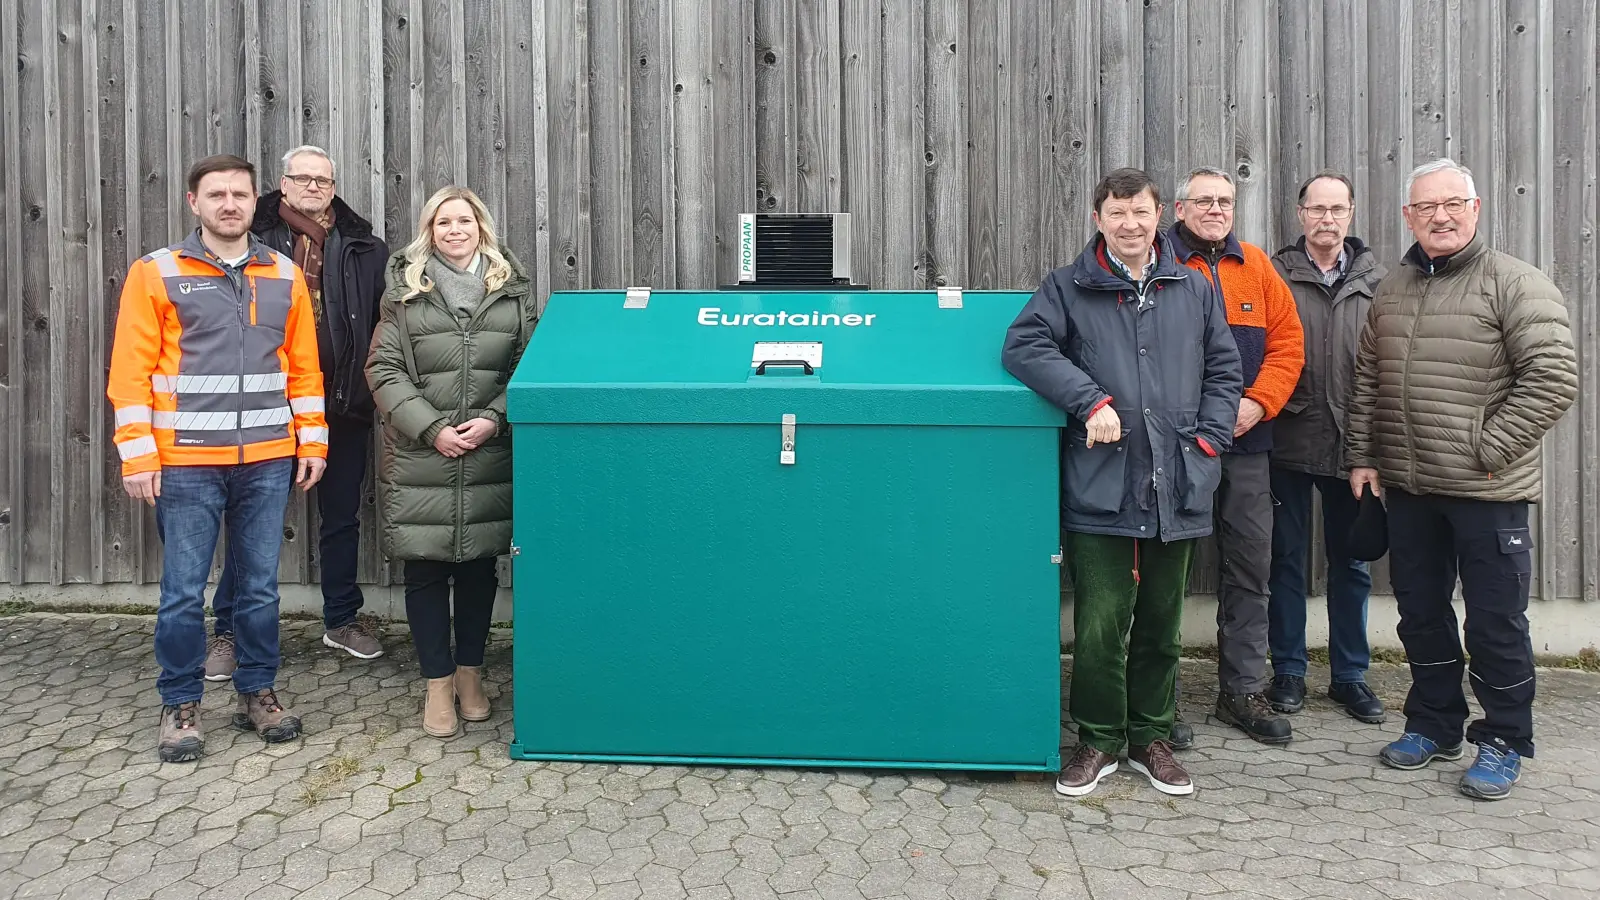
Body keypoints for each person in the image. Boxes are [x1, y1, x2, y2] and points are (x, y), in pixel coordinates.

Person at [1003, 167, 1243, 798]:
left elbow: (1225, 369)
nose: (1130, 224)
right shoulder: (1067, 288)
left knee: (1163, 620)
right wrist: (1089, 401)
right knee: (1103, 622)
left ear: (1160, 215)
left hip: (1179, 479)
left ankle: (1151, 737)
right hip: (1103, 481)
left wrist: (1212, 438)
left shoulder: (1193, 289)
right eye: (1117, 213)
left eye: (1141, 212)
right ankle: (1098, 740)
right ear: (1098, 219)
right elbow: (1024, 347)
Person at [1347, 157, 1578, 800]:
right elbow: (1368, 382)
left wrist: (1487, 449)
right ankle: (1434, 722)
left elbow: (1553, 379)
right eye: (1426, 207)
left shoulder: (1515, 283)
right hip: (1410, 488)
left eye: (1452, 204)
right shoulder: (1391, 289)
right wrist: (1364, 456)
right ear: (1408, 217)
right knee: (1420, 614)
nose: (1440, 217)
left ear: (1475, 209)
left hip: (1488, 491)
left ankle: (1503, 738)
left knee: (1495, 622)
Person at [107, 154, 327, 762]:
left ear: (257, 201)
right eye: (216, 195)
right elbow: (131, 373)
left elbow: (304, 369)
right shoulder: (156, 273)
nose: (229, 204)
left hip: (267, 459)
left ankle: (258, 691)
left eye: (240, 194)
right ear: (193, 203)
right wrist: (137, 455)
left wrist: (313, 440)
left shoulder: (283, 273)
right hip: (184, 463)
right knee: (182, 592)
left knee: (258, 589)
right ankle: (180, 703)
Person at [206, 146, 391, 679]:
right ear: (282, 185)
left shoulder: (363, 247)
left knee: (342, 518)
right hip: (263, 406)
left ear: (333, 188)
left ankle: (341, 620)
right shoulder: (250, 240)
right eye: (302, 178)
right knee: (251, 521)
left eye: (323, 180)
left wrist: (363, 388)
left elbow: (383, 323)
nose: (313, 187)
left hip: (340, 406)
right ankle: (229, 629)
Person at [366, 185, 537, 738]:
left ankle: (470, 675)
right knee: (426, 569)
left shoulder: (510, 293)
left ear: (480, 227)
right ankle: (437, 683)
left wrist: (495, 417)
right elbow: (383, 370)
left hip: (487, 450)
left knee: (478, 571)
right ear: (430, 230)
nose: (454, 231)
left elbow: (529, 368)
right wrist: (433, 428)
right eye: (443, 223)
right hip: (422, 455)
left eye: (464, 220)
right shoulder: (406, 293)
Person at [1166, 167, 1304, 748]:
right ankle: (1153, 699)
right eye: (1204, 201)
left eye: (1225, 201)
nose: (1216, 209)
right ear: (1179, 209)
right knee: (1161, 573)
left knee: (1250, 566)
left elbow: (1288, 345)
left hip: (1247, 445)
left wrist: (1258, 403)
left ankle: (1241, 691)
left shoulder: (1256, 264)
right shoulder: (1159, 262)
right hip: (1173, 447)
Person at [1265, 171, 1387, 723]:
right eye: (1317, 209)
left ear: (1352, 214)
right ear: (1301, 215)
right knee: (1285, 561)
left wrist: (1375, 446)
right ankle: (1288, 671)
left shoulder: (1379, 282)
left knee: (1352, 563)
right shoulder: (1273, 274)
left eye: (1337, 209)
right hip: (1287, 439)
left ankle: (1349, 676)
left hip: (1352, 446)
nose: (1327, 219)